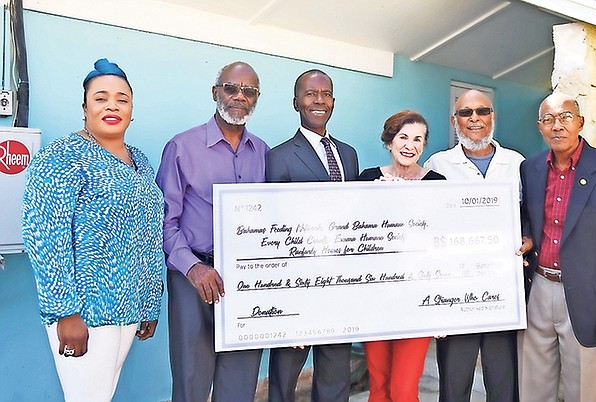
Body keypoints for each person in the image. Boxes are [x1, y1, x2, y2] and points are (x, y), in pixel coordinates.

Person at [21, 58, 163, 402]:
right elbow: (44, 238)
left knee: (102, 395)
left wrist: (150, 302)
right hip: (85, 313)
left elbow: (148, 235)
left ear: (132, 110)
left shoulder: (140, 161)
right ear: (84, 108)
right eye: (101, 98)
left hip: (128, 309)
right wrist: (64, 313)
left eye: (122, 99)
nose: (112, 105)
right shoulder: (61, 157)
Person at [518, 92, 596, 402]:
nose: (557, 126)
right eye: (549, 119)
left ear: (580, 123)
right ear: (540, 127)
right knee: (533, 386)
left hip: (587, 297)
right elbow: (528, 218)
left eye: (565, 117)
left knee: (584, 390)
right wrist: (528, 236)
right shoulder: (531, 169)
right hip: (539, 289)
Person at [156, 61, 268, 402]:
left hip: (246, 280)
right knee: (192, 380)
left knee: (241, 380)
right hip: (194, 278)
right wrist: (192, 267)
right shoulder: (182, 147)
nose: (239, 97)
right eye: (231, 88)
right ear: (215, 92)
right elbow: (164, 220)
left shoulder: (263, 152)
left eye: (249, 91)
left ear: (256, 99)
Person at [424, 89, 530, 402]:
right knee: (455, 384)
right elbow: (425, 223)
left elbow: (533, 216)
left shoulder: (517, 163)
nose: (474, 119)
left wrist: (530, 239)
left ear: (492, 117)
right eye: (465, 113)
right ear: (454, 120)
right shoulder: (439, 165)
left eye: (482, 112)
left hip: (503, 293)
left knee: (503, 381)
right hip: (457, 295)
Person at [265, 69, 359, 402]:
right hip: (296, 288)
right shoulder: (278, 157)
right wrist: (285, 301)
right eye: (310, 94)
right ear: (296, 102)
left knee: (335, 378)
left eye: (326, 94)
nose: (319, 100)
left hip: (339, 286)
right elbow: (272, 232)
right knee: (284, 379)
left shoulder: (348, 154)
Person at [359, 110, 444, 402]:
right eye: (403, 137)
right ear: (390, 141)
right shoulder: (368, 179)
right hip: (375, 297)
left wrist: (443, 309)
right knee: (379, 386)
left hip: (418, 300)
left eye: (418, 139)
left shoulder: (438, 183)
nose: (410, 145)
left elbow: (443, 245)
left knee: (404, 389)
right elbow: (354, 240)